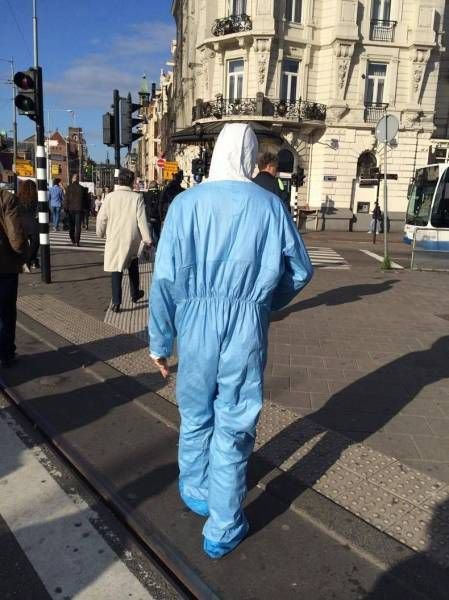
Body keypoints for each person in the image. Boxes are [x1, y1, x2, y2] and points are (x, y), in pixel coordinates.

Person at [149, 123, 313, 559]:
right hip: (245, 325)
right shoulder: (269, 205)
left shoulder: (185, 205)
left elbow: (164, 279)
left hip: (194, 323)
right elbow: (301, 270)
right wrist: (263, 302)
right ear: (249, 157)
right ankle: (223, 526)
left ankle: (196, 490)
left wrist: (160, 342)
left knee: (196, 412)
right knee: (235, 421)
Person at [96, 168, 152, 313]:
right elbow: (141, 221)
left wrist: (100, 233)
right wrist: (147, 239)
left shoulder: (110, 197)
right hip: (131, 238)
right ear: (132, 182)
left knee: (116, 269)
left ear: (119, 181)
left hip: (114, 237)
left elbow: (101, 218)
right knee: (133, 266)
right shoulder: (137, 198)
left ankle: (116, 302)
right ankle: (135, 293)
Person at [0, 187, 29, 367]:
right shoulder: (6, 199)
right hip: (4, 265)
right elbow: (16, 238)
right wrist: (23, 255)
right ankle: (6, 354)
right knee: (6, 311)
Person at [16, 179, 39, 271]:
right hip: (34, 224)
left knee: (24, 245)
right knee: (35, 244)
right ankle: (29, 261)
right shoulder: (36, 197)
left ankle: (32, 261)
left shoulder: (18, 197)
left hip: (22, 224)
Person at [64, 173, 88, 246]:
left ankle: (73, 239)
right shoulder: (82, 188)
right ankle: (77, 241)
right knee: (78, 226)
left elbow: (66, 199)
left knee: (71, 226)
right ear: (78, 179)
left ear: (72, 179)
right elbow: (85, 200)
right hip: (79, 209)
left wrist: (65, 208)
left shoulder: (68, 188)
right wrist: (85, 209)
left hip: (70, 209)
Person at [143, 181, 161, 245]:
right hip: (158, 218)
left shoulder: (145, 194)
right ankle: (157, 248)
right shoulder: (160, 193)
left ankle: (150, 248)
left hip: (148, 217)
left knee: (149, 235)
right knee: (157, 235)